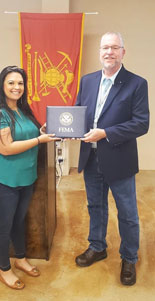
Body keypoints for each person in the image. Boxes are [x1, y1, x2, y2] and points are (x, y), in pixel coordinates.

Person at [75, 32, 149, 286]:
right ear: (100, 52)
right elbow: (78, 113)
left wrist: (106, 133)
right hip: (91, 157)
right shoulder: (87, 80)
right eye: (105, 48)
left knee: (127, 212)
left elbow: (141, 123)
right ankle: (97, 246)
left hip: (119, 158)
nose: (109, 52)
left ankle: (129, 257)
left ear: (123, 52)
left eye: (114, 48)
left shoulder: (137, 83)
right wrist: (62, 128)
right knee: (95, 206)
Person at [0, 66, 58, 290]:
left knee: (18, 221)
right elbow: (5, 148)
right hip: (2, 182)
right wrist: (39, 141)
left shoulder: (23, 110)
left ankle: (21, 258)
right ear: (2, 85)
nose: (17, 87)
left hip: (26, 178)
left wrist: (41, 131)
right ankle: (4, 269)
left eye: (20, 83)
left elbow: (29, 133)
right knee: (3, 227)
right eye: (11, 83)